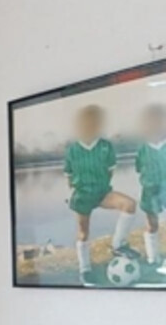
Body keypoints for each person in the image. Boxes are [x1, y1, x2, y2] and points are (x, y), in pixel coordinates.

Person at [63, 104, 133, 282]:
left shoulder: (106, 146)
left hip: (102, 193)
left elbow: (110, 172)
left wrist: (99, 187)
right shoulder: (72, 150)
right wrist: (80, 189)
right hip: (82, 196)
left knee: (129, 204)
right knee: (83, 232)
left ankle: (118, 244)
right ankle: (85, 270)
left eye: (95, 122)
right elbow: (69, 178)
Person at [135, 102, 166, 265]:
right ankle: (153, 259)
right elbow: (139, 168)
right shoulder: (142, 149)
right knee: (152, 224)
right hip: (150, 190)